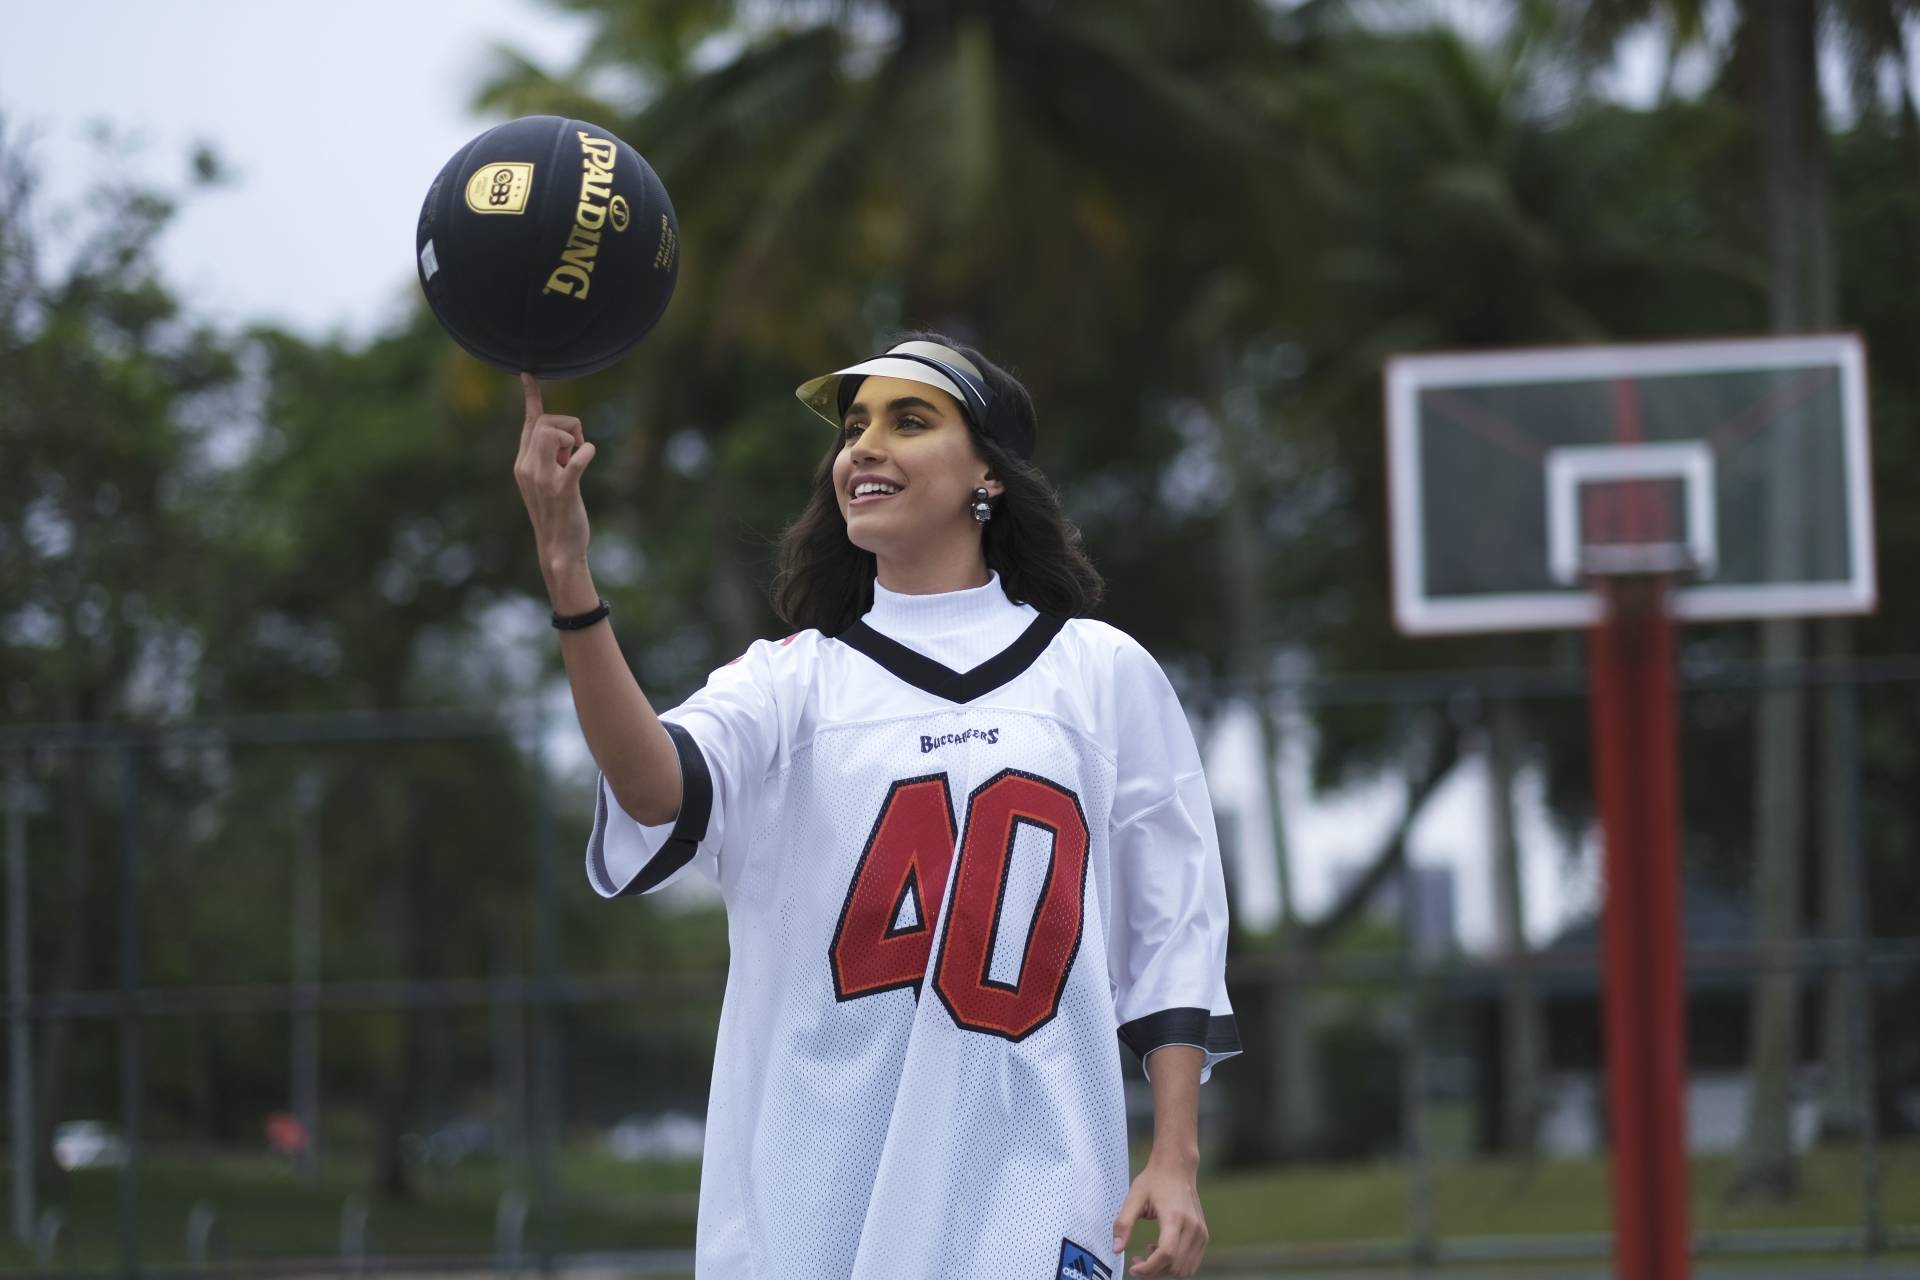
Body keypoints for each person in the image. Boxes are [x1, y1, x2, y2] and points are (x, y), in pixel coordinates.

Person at [514, 335, 1239, 1279]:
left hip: (1036, 1201)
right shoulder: (790, 684)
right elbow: (651, 784)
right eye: (854, 427)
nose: (863, 447)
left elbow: (1173, 931)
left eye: (909, 419)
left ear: (991, 474)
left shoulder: (1099, 674)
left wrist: (1176, 1161)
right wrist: (570, 574)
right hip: (808, 1217)